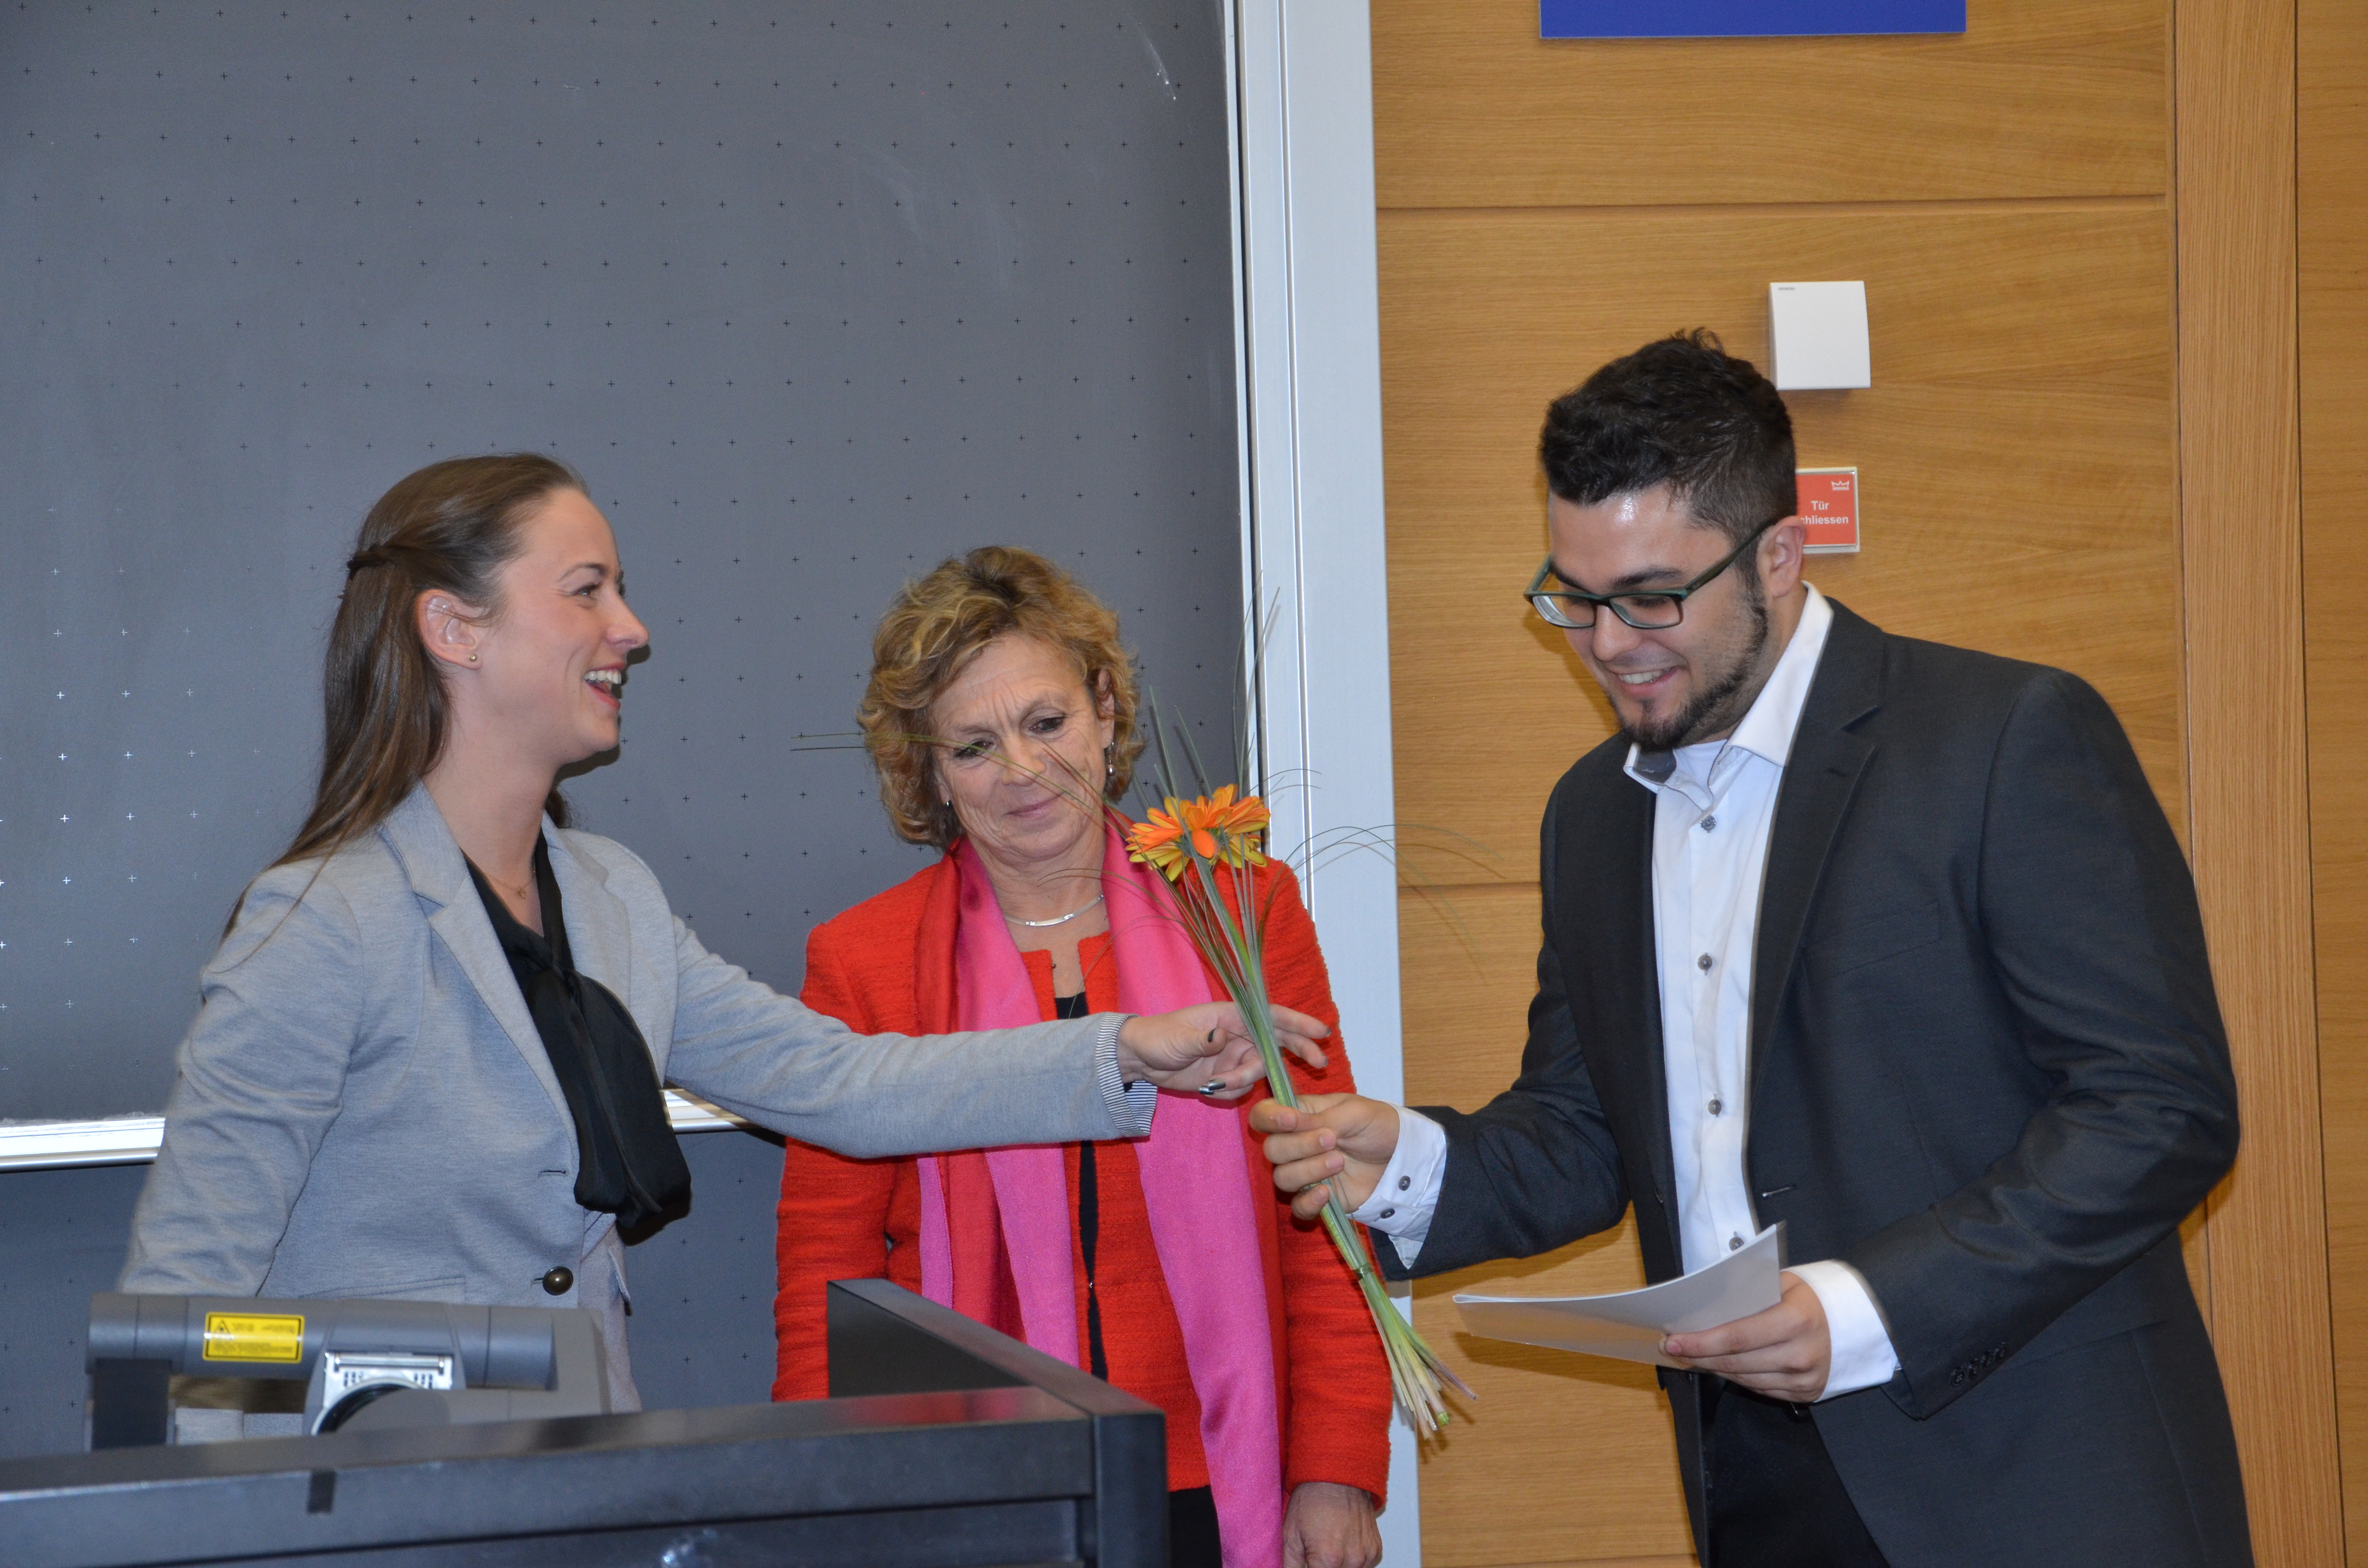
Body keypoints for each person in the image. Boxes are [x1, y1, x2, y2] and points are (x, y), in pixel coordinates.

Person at [1253, 333, 2249, 1568]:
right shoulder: (1593, 813)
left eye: (1652, 597)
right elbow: (1583, 1130)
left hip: (2030, 1478)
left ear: (1779, 554)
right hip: (1755, 1487)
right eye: (1574, 597)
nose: (1609, 641)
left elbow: (2158, 1110)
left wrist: (1866, 1307)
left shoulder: (2003, 739)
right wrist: (1405, 1165)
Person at [119, 455, 1328, 1410]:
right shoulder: (322, 924)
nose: (631, 628)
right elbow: (177, 1325)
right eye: (586, 590)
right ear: (455, 629)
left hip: (574, 1494)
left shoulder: (610, 901)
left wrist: (1120, 1050)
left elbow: (848, 1086)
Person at [773, 548, 1391, 1568]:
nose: (1022, 770)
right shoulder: (865, 961)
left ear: (1105, 710)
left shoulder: (1242, 910)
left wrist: (1336, 1468)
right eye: (974, 746)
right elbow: (825, 1266)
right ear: (930, 770)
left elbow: (1324, 1203)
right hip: (973, 1489)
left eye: (1047, 722)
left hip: (1225, 1478)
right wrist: (823, 1489)